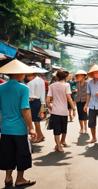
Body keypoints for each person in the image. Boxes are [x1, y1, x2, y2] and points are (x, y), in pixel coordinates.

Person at [0, 59, 37, 187]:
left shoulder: (1, 88)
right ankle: (20, 179)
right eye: (23, 73)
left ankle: (8, 178)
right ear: (18, 73)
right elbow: (25, 109)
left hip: (5, 129)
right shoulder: (23, 88)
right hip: (19, 129)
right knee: (22, 154)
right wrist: (31, 128)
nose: (25, 75)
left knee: (7, 153)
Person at [47, 70, 76, 152]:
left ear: (57, 77)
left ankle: (59, 145)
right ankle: (61, 142)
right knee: (64, 128)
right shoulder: (66, 85)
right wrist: (73, 109)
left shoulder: (52, 85)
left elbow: (48, 100)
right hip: (64, 111)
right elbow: (69, 98)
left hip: (55, 111)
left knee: (56, 129)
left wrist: (50, 108)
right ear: (65, 77)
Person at [26, 70, 46, 143]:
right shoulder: (41, 80)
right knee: (37, 120)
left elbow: (30, 97)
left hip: (32, 102)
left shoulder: (30, 83)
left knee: (35, 121)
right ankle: (41, 135)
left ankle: (39, 136)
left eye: (27, 75)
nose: (27, 77)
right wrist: (43, 104)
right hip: (39, 102)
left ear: (31, 75)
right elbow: (43, 92)